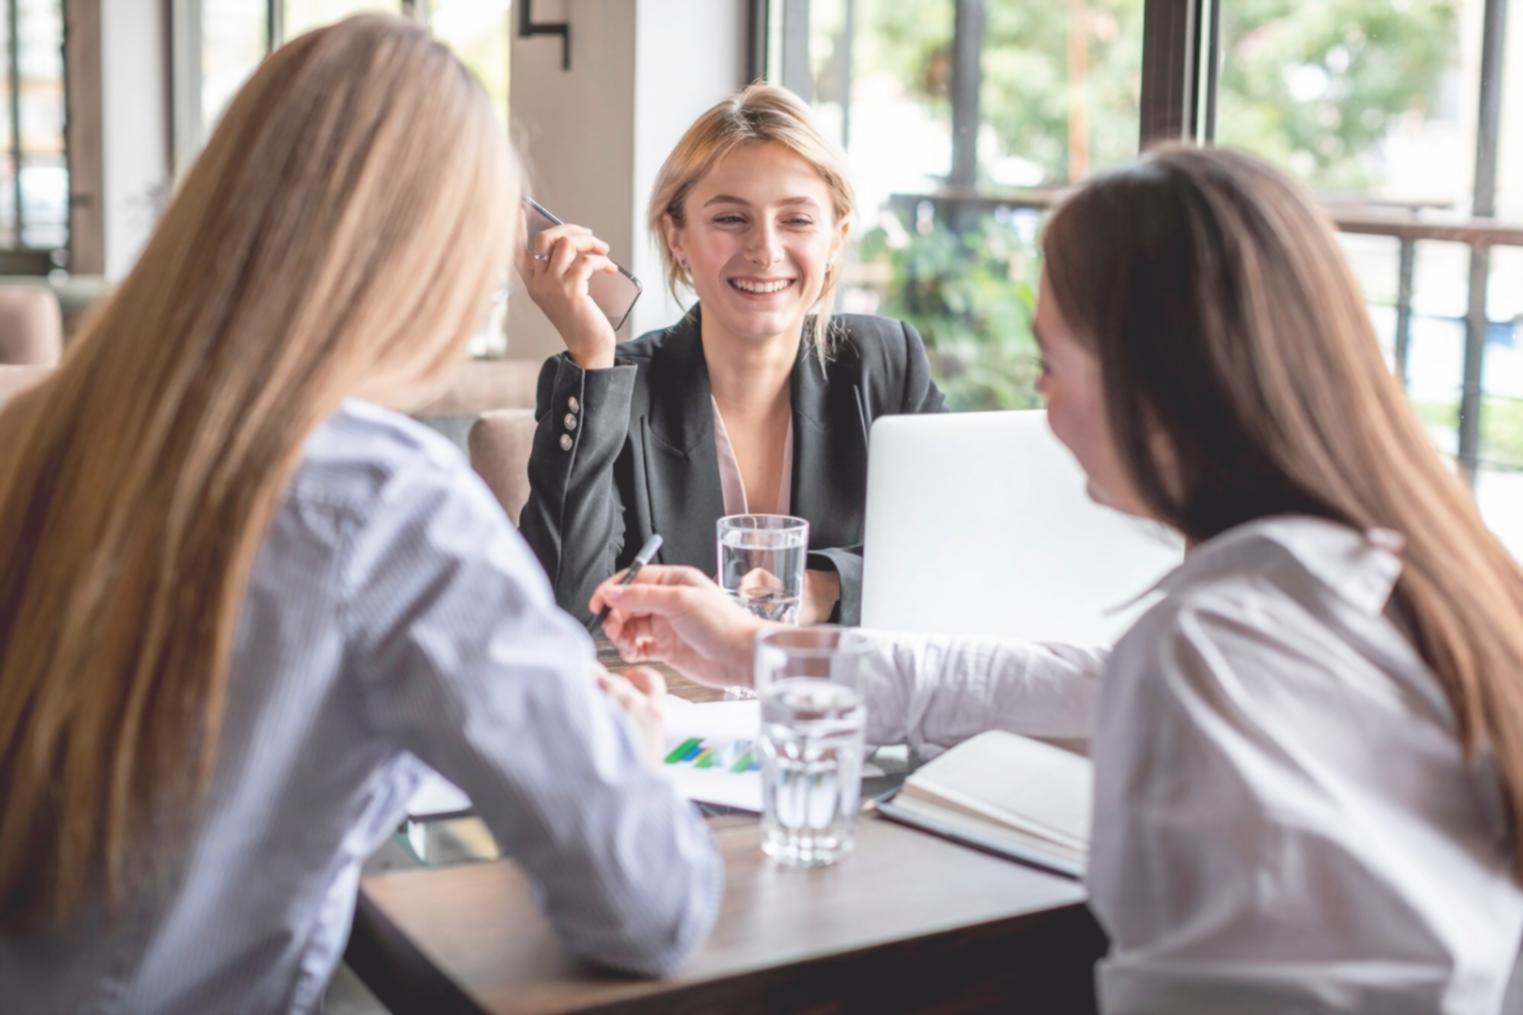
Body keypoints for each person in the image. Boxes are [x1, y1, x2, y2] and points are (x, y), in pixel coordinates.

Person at [589, 146, 1523, 1012]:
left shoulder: (1213, 652)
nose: (1038, 398)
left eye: (1049, 360)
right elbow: (1052, 681)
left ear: (1152, 381)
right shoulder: (1388, 572)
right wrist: (761, 650)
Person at [0, 16, 718, 1011]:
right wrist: (631, 759)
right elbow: (650, 905)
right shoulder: (380, 503)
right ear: (433, 262)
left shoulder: (32, 431)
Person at [518, 83, 945, 626]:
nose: (765, 251)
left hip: (836, 703)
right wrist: (592, 352)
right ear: (677, 236)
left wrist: (823, 585)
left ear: (836, 238)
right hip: (672, 706)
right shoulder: (612, 388)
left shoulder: (886, 365)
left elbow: (958, 555)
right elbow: (557, 612)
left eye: (796, 220)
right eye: (729, 219)